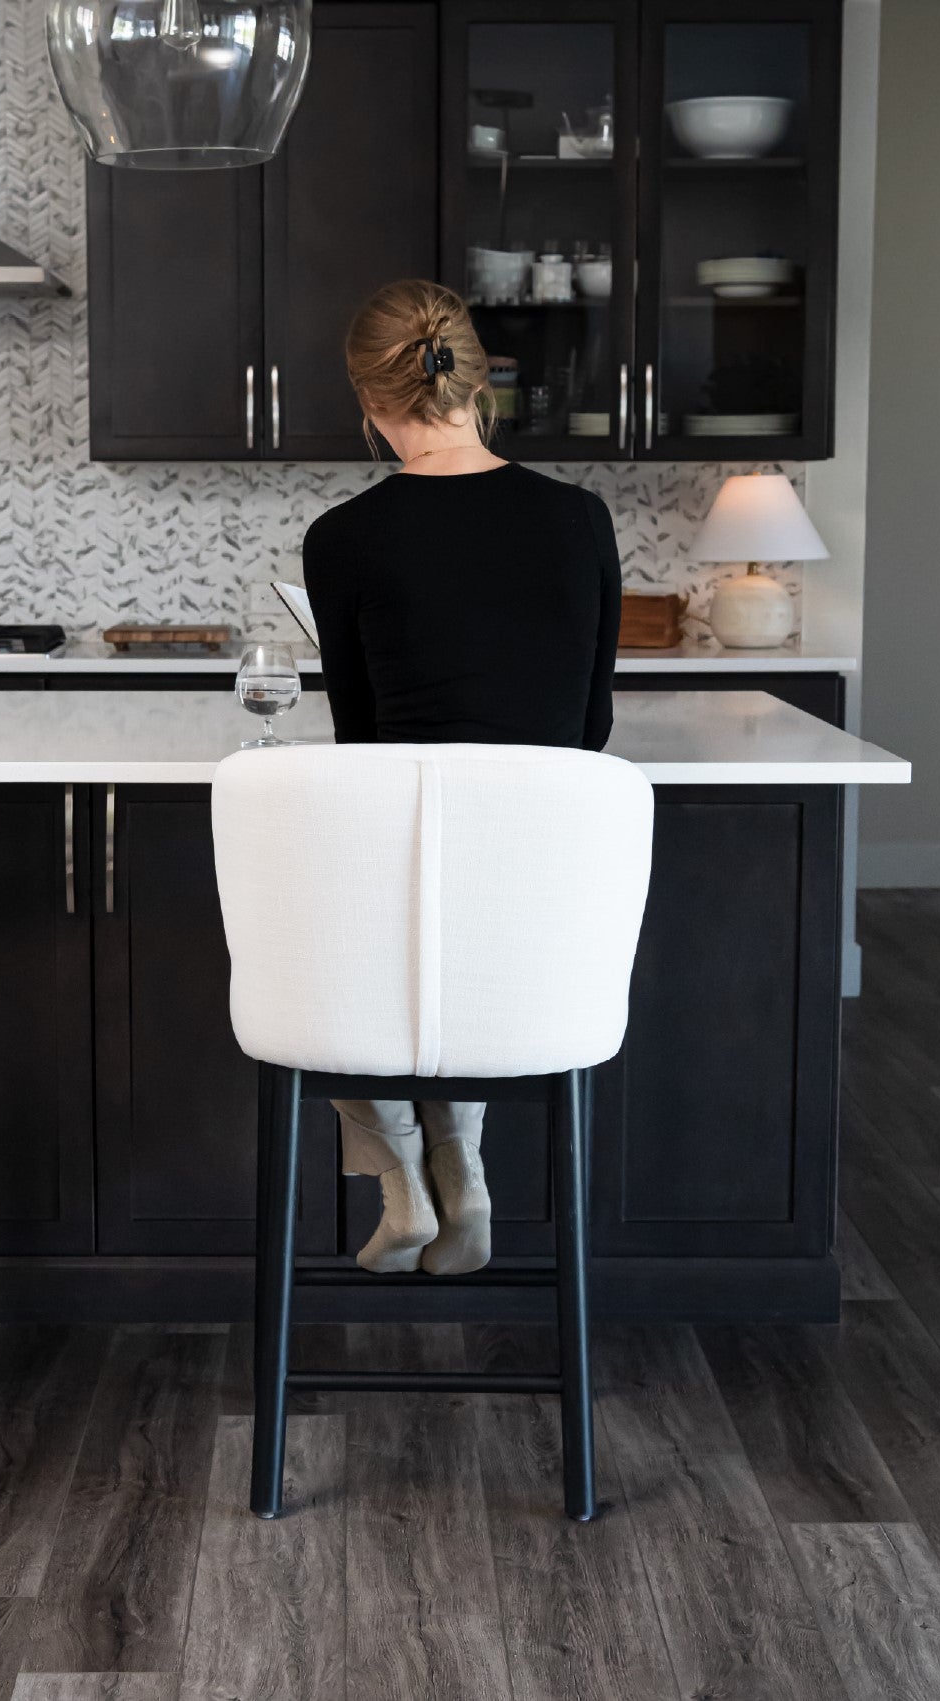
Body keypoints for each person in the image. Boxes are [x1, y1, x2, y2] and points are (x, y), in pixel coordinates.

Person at [302, 278, 622, 1275]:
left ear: (367, 399)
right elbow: (589, 726)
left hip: (399, 894)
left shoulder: (342, 538)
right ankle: (465, 1163)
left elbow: (361, 739)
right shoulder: (580, 520)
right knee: (466, 933)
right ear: (481, 385)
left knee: (311, 938)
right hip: (541, 915)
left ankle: (402, 1174)